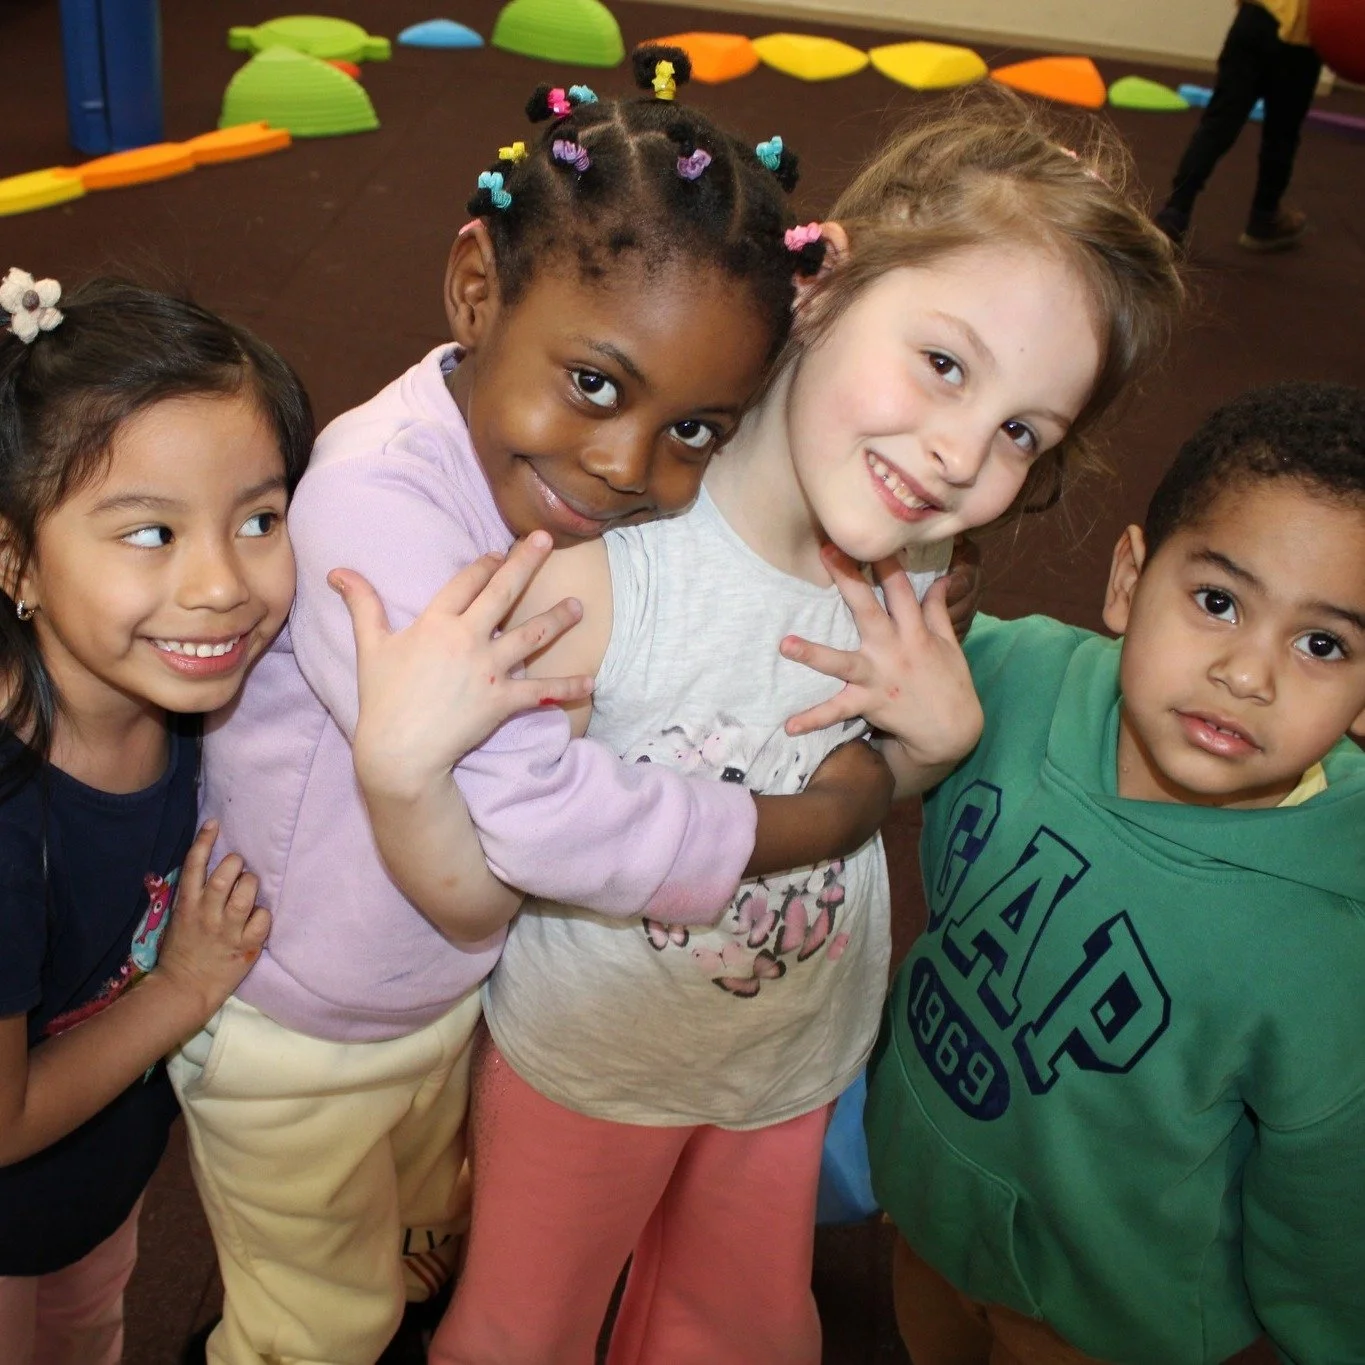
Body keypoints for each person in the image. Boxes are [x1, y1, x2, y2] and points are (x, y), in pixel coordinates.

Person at [340, 97, 1182, 1364]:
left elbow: (861, 767)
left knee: (737, 1329)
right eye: (944, 363)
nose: (960, 454)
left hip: (789, 1057)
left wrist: (930, 746)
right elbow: (517, 837)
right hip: (593, 1064)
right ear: (824, 283)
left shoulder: (917, 554)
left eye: (1022, 431)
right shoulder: (614, 554)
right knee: (525, 1329)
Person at [169, 48, 899, 1365]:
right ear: (474, 287)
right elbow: (535, 818)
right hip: (303, 1029)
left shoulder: (528, 458)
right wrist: (815, 819)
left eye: (697, 429)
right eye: (597, 384)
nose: (627, 466)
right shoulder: (370, 506)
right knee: (316, 1323)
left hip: (433, 999)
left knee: (413, 1219)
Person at [863, 380, 1365, 1365]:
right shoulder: (1015, 676)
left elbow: (1326, 1209)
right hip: (927, 1203)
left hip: (1106, 1315)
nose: (1247, 674)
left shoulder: (1334, 939)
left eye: (1322, 644)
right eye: (1217, 601)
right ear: (1130, 580)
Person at [0, 271, 312, 1365]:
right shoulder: (11, 820)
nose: (222, 584)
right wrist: (181, 988)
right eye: (149, 533)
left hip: (95, 1186)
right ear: (16, 560)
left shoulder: (186, 697)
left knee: (89, 1330)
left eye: (259, 519)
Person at [1154, 0, 1322, 251]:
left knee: (1218, 123)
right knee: (1281, 134)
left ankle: (1174, 214)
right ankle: (1264, 217)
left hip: (1254, 20)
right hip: (1298, 40)